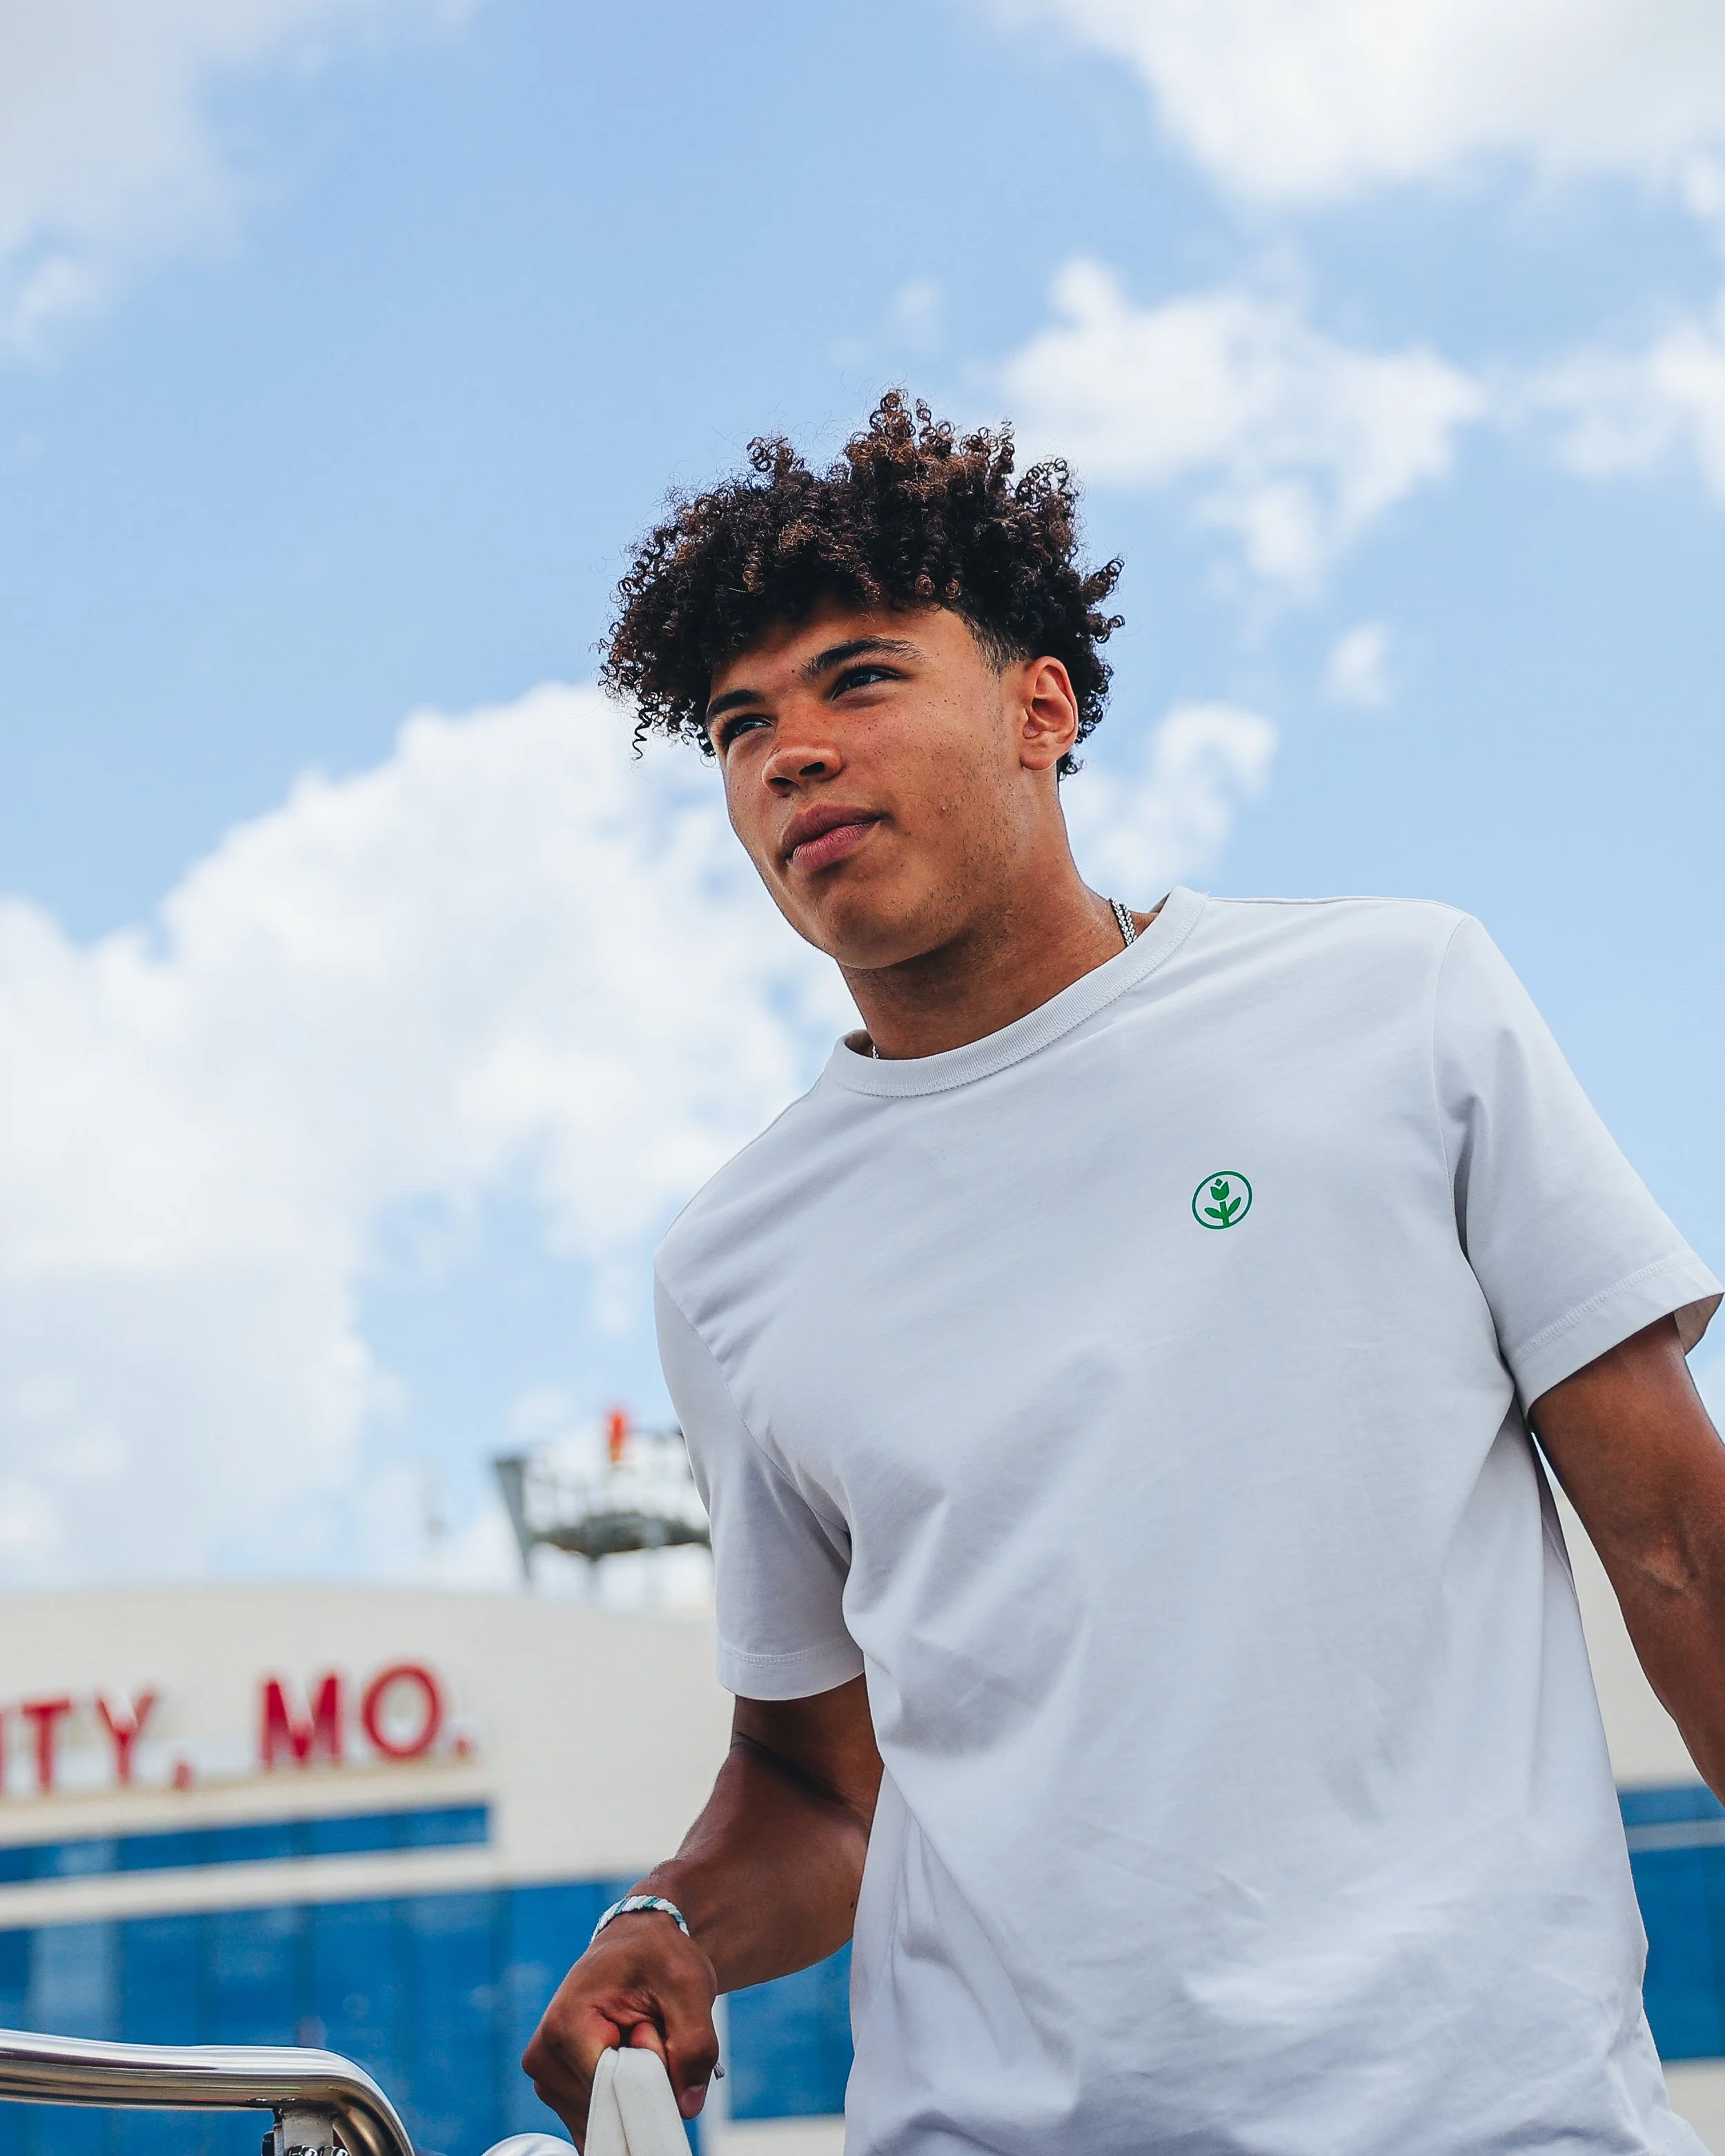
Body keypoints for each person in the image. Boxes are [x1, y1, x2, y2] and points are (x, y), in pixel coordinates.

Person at [524, 394, 1725, 2155]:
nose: (788, 752)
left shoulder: (1399, 1004)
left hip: (1480, 2119)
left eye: (858, 678)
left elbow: (1677, 1544)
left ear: (1041, 708)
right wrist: (675, 1917)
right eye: (737, 723)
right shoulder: (733, 1262)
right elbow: (812, 1783)